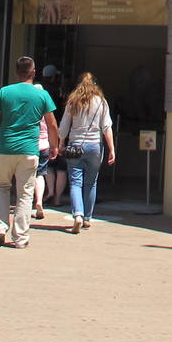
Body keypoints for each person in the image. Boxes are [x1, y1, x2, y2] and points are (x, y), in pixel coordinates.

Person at [0, 56, 58, 249]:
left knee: (1, 187)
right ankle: (20, 237)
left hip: (5, 148)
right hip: (29, 150)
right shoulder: (42, 95)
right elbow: (51, 124)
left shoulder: (4, 92)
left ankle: (0, 228)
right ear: (33, 72)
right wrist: (54, 146)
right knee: (25, 193)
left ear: (16, 72)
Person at [57, 72, 116, 233]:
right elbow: (106, 127)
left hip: (76, 145)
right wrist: (111, 149)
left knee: (75, 182)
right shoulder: (101, 102)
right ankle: (88, 218)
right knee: (91, 183)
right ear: (95, 85)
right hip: (95, 146)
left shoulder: (73, 101)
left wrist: (61, 142)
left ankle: (77, 214)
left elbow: (63, 127)